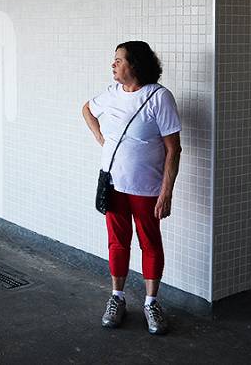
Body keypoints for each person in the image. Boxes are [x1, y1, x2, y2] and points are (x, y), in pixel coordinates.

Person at [82, 41, 182, 335]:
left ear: (135, 65)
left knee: (150, 242)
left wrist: (167, 191)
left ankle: (152, 302)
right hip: (113, 182)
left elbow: (173, 149)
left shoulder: (159, 98)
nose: (113, 65)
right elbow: (86, 109)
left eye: (118, 60)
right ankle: (117, 297)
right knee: (117, 241)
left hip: (146, 187)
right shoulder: (111, 94)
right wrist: (100, 137)